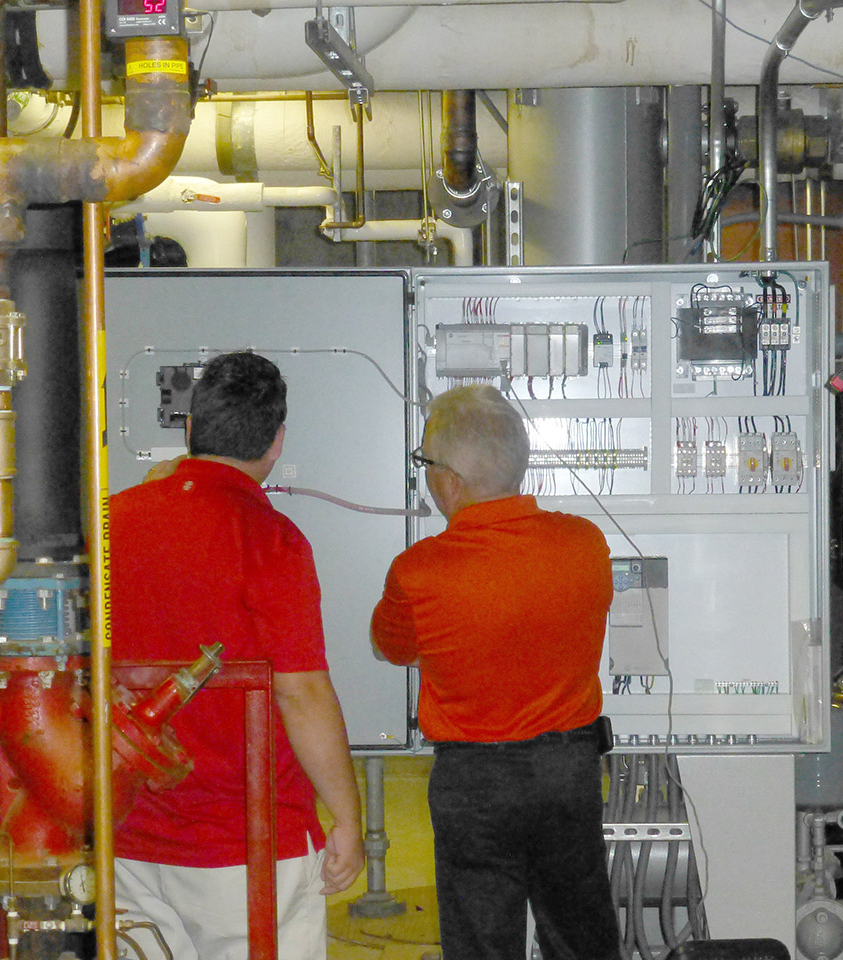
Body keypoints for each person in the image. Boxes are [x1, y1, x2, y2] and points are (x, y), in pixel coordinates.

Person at [110, 351, 364, 960]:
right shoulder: (272, 538)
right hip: (249, 849)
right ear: (276, 442)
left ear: (191, 429)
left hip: (127, 835)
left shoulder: (111, 522)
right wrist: (349, 820)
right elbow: (300, 693)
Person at [370, 384, 620, 960]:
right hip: (569, 771)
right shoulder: (585, 543)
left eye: (426, 463)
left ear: (450, 480)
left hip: (473, 783)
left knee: (482, 943)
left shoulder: (418, 571)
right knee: (582, 936)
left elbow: (392, 647)